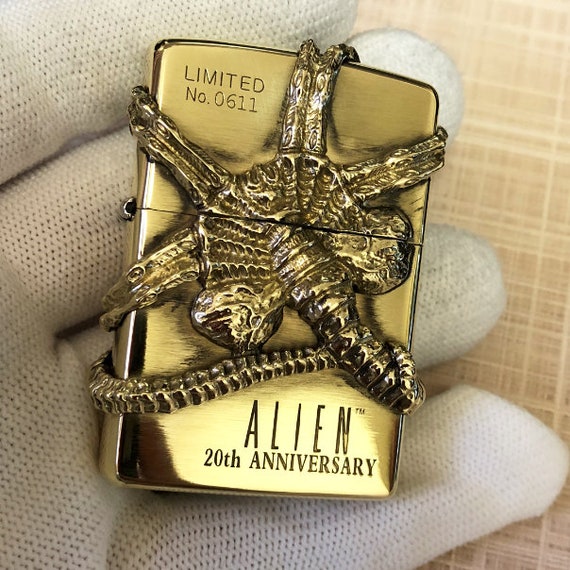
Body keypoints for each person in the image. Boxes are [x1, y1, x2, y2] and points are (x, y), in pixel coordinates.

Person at [0, 1, 567, 568]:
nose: (232, 315)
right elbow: (208, 205)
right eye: (241, 320)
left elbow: (226, 191)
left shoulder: (293, 240)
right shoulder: (256, 241)